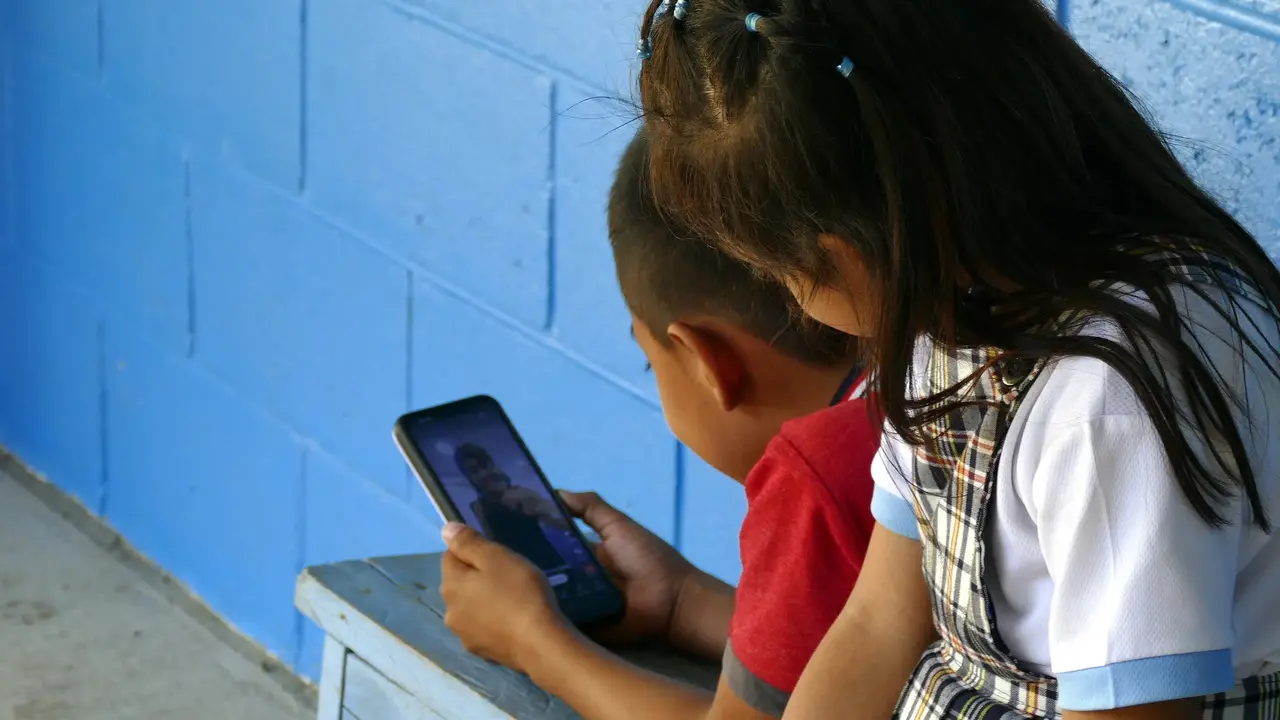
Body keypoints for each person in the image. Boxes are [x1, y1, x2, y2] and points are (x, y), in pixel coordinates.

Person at [625, 1, 1280, 719]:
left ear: (852, 253)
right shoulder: (952, 315)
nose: (796, 303)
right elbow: (877, 624)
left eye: (784, 278)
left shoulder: (1112, 402)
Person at [437, 128, 883, 720]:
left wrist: (535, 641)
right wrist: (680, 600)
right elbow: (853, 680)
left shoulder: (816, 475)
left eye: (653, 362)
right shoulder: (920, 394)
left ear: (707, 363)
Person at [454, 442, 567, 572]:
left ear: (493, 465)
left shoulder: (524, 494)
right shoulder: (477, 508)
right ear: (469, 478)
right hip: (515, 577)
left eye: (485, 465)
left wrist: (539, 507)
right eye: (474, 471)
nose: (483, 474)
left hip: (553, 568)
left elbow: (563, 524)